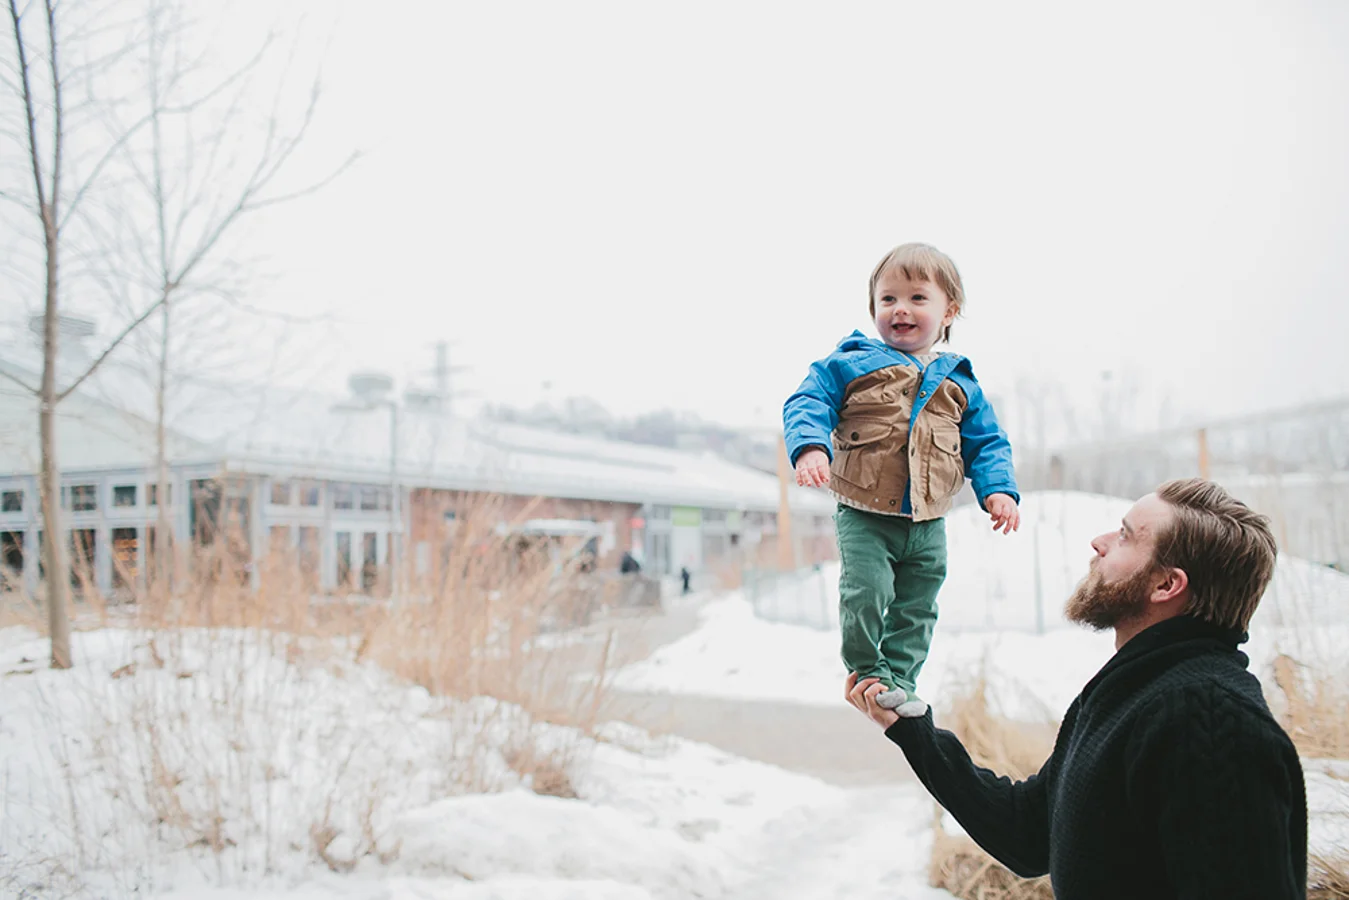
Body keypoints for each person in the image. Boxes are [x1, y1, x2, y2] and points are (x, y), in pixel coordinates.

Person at [846, 478, 1307, 899]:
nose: (1100, 542)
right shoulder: (1132, 689)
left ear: (1167, 585)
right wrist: (913, 732)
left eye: (1125, 536)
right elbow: (1030, 833)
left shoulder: (1208, 722)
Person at [784, 242, 1019, 715]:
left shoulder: (960, 383)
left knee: (918, 605)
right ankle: (870, 672)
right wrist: (811, 446)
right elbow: (807, 401)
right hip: (866, 514)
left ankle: (900, 682)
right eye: (888, 299)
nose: (900, 310)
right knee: (866, 591)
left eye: (916, 298)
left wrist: (997, 491)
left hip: (929, 521)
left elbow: (987, 442)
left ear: (948, 310)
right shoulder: (851, 362)